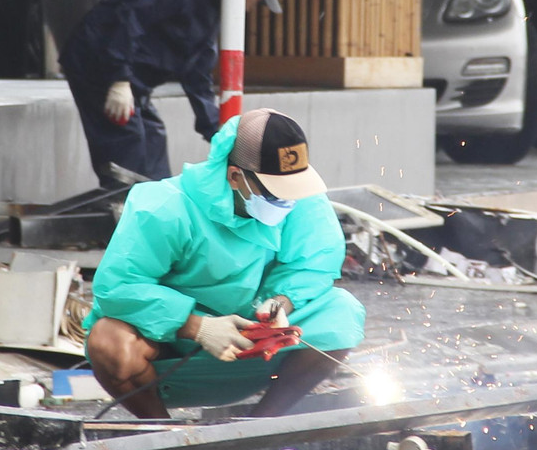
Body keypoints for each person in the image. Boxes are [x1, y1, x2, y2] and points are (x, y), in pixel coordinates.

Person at [83, 107, 364, 419]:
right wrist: (198, 327)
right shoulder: (165, 207)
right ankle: (159, 431)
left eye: (292, 190)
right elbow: (118, 287)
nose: (287, 202)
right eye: (275, 193)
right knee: (108, 341)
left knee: (342, 313)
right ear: (235, 176)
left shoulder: (301, 198)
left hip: (256, 345)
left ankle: (263, 425)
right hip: (172, 353)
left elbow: (313, 263)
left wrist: (281, 302)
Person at [60, 0, 283, 188]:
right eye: (257, 0)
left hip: (131, 80)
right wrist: (119, 79)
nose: (251, 8)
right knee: (127, 142)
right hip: (97, 64)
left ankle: (158, 206)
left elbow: (198, 79)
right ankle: (125, 209)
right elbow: (127, 21)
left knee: (153, 137)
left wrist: (223, 141)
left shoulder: (210, 17)